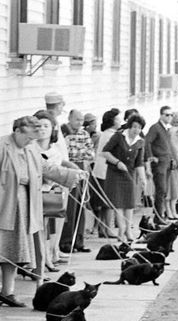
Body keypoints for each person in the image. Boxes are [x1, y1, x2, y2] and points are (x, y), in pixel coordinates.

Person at [0, 116, 87, 307]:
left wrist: (72, 174)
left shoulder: (31, 147)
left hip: (22, 205)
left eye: (33, 139)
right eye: (28, 137)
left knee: (13, 250)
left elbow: (46, 167)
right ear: (18, 131)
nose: (31, 141)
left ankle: (7, 292)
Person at [33, 110, 75, 271]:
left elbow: (52, 176)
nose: (42, 129)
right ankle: (33, 263)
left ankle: (45, 259)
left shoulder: (55, 152)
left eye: (46, 126)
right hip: (29, 194)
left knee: (45, 229)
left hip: (46, 194)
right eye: (39, 125)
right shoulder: (29, 148)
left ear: (53, 130)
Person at [100, 114, 147, 243]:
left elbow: (139, 163)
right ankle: (121, 229)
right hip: (115, 172)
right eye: (134, 127)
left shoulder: (140, 141)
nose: (136, 130)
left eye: (139, 128)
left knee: (129, 203)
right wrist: (117, 162)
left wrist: (143, 179)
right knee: (119, 203)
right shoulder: (119, 136)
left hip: (129, 173)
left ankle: (128, 230)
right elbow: (105, 152)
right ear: (130, 126)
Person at [59, 109, 95, 255]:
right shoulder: (63, 132)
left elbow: (90, 152)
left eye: (81, 120)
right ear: (69, 118)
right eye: (76, 120)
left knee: (81, 205)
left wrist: (83, 157)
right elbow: (63, 153)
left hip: (82, 167)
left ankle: (79, 241)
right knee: (70, 206)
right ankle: (66, 242)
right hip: (68, 169)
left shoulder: (84, 134)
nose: (79, 123)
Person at [91, 108, 123, 238]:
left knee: (105, 203)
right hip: (107, 171)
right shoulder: (111, 135)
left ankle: (103, 228)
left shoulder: (105, 134)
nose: (120, 121)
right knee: (110, 202)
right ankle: (108, 228)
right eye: (118, 118)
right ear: (112, 121)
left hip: (101, 170)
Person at [144, 106, 177, 224]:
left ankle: (160, 214)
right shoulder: (155, 128)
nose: (169, 117)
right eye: (166, 115)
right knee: (161, 189)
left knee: (164, 190)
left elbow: (167, 146)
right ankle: (159, 217)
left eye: (171, 115)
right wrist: (150, 157)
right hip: (159, 164)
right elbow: (147, 142)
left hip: (167, 162)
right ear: (161, 115)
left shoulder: (167, 129)